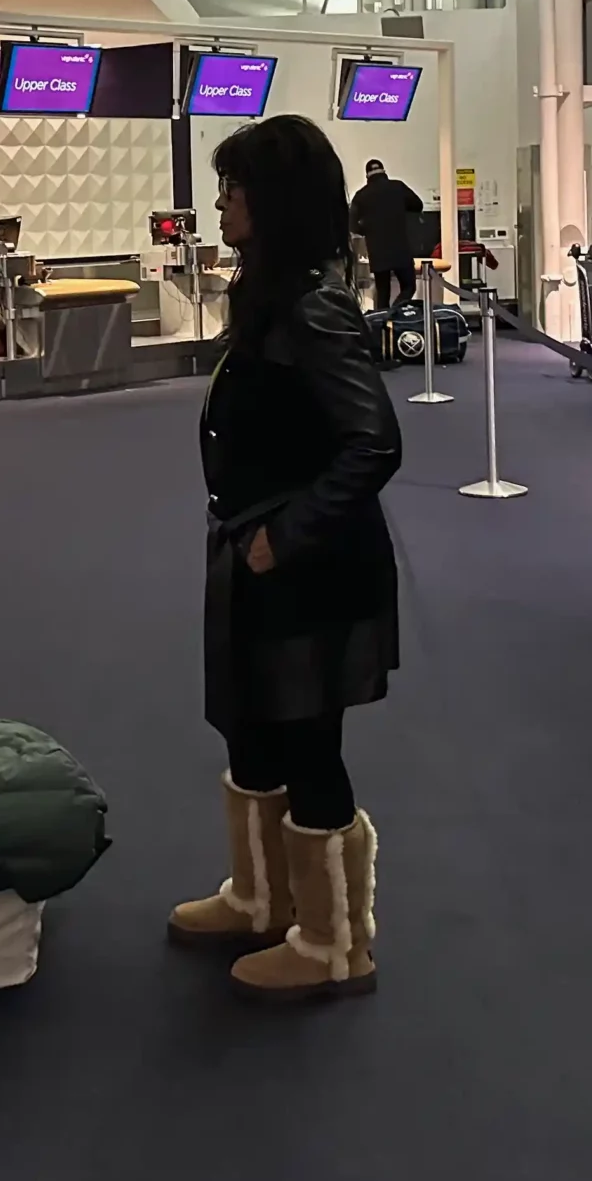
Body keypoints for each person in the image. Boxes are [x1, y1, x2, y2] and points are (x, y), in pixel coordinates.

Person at [170, 114, 399, 1003]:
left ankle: (336, 943)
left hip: (305, 566)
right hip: (254, 551)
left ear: (272, 203)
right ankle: (262, 897)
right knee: (254, 723)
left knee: (308, 739)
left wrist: (288, 535)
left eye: (233, 188)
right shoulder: (269, 294)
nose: (222, 201)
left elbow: (374, 444)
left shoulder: (314, 307)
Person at [349, 158, 424, 311]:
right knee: (408, 286)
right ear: (384, 172)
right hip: (400, 249)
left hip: (378, 252)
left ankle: (382, 324)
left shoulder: (361, 195)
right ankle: (395, 313)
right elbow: (418, 204)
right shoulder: (398, 187)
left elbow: (350, 224)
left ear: (367, 176)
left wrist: (366, 230)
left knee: (382, 292)